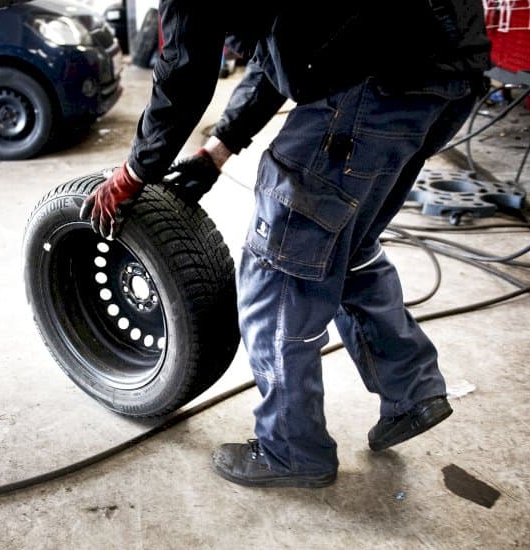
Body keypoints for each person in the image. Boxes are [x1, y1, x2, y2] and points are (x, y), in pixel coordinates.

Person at [81, 1, 491, 488]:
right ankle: (412, 390)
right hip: (443, 75)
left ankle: (292, 450)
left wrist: (134, 171)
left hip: (377, 79)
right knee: (346, 247)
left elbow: (186, 70)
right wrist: (219, 148)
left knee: (277, 273)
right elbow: (288, 43)